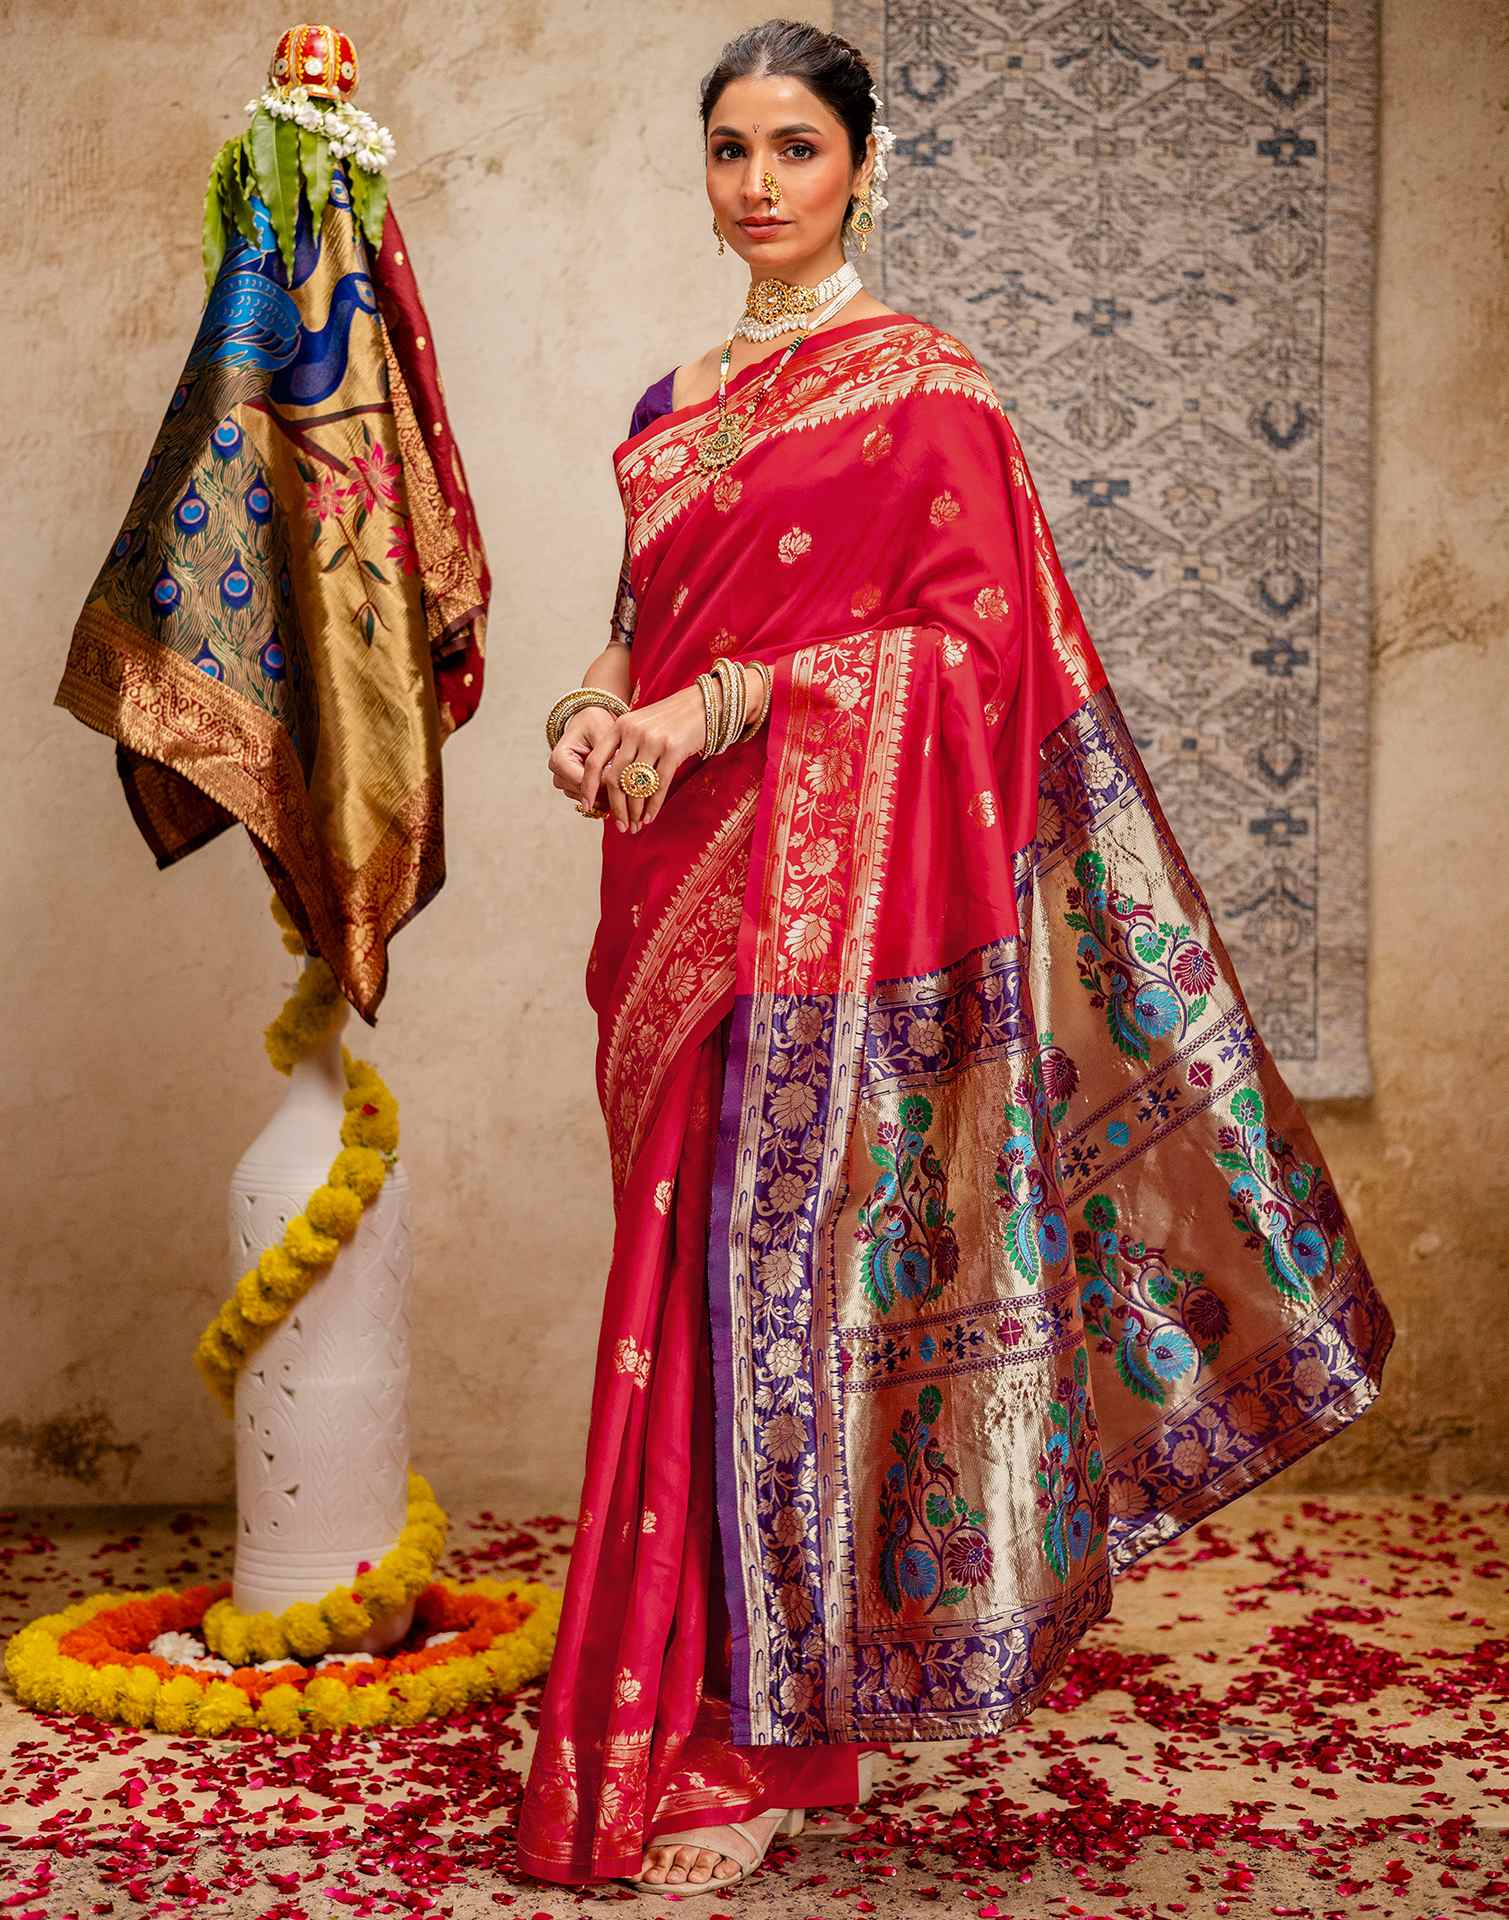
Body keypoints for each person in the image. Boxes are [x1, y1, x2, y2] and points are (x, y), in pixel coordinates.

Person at [515, 17, 1394, 1900]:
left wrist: (725, 706)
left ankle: (762, 1741)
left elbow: (968, 660)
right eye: (731, 149)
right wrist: (590, 715)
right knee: (686, 1307)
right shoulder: (672, 398)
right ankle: (694, 1704)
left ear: (863, 166)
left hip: (826, 917)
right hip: (670, 896)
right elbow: (634, 628)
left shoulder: (927, 394)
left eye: (795, 148)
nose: (759, 182)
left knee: (783, 1302)